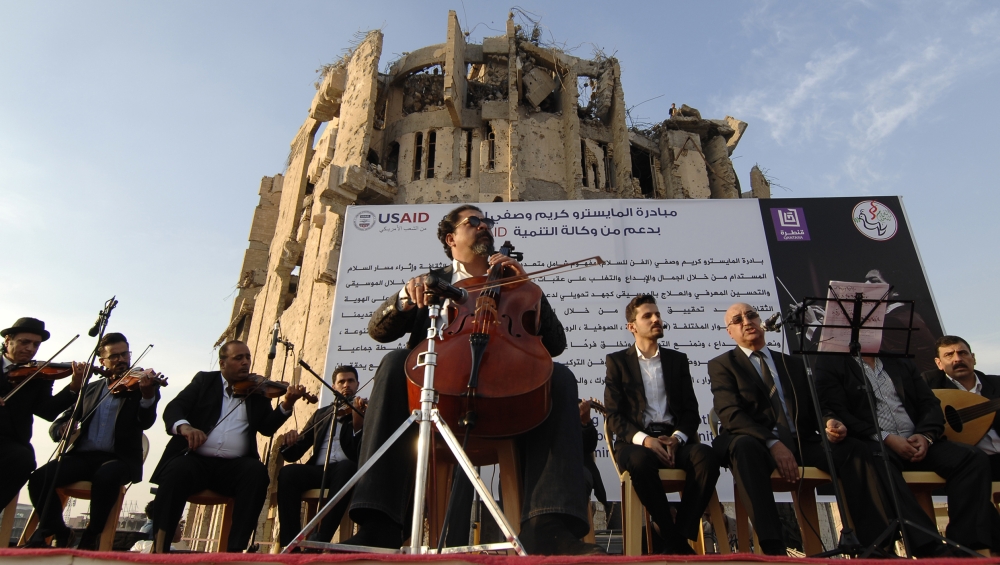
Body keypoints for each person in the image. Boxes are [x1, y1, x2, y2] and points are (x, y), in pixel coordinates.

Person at [342, 204, 601, 555]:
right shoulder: (434, 282)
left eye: (486, 222)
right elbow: (378, 330)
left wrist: (527, 285)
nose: (484, 227)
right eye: (473, 222)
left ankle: (547, 525)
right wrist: (405, 297)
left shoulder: (515, 282)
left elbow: (556, 344)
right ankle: (380, 524)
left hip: (504, 402)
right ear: (451, 238)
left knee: (560, 377)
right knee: (393, 363)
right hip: (437, 398)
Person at [709, 303, 896, 556]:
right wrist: (773, 444)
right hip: (759, 444)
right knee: (744, 448)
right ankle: (774, 548)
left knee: (854, 449)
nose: (746, 321)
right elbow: (731, 414)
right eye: (737, 319)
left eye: (751, 315)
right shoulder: (723, 365)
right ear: (729, 332)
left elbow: (818, 405)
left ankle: (875, 546)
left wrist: (830, 421)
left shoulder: (792, 364)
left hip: (801, 442)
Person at [816, 342, 1000, 555]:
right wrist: (886, 438)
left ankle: (967, 546)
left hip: (917, 439)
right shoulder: (832, 362)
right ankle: (928, 546)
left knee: (971, 458)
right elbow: (834, 409)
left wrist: (926, 436)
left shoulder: (899, 360)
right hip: (876, 442)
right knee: (877, 459)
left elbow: (930, 404)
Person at [147, 340, 308, 552]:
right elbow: (174, 408)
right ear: (222, 363)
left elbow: (267, 428)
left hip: (234, 468)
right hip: (196, 462)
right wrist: (185, 428)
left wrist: (287, 404)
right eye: (238, 358)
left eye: (248, 357)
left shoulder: (256, 391)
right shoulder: (204, 381)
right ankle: (160, 548)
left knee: (257, 473)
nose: (245, 362)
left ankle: (234, 551)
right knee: (177, 470)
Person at [603, 294, 720, 554]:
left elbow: (691, 412)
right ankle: (676, 541)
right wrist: (646, 440)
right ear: (632, 326)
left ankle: (677, 535)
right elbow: (614, 416)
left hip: (674, 441)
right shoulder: (618, 362)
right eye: (648, 316)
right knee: (640, 463)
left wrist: (677, 438)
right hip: (638, 444)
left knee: (707, 457)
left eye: (657, 314)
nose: (656, 319)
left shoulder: (677, 360)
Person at [26, 332, 162, 550]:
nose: (121, 360)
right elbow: (63, 417)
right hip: (83, 457)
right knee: (40, 478)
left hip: (119, 459)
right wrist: (61, 428)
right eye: (114, 356)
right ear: (102, 362)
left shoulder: (139, 386)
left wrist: (147, 396)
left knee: (106, 476)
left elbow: (146, 422)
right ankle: (60, 531)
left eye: (124, 354)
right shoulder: (89, 389)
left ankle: (92, 535)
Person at [0, 317, 83, 541]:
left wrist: (73, 388)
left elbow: (47, 411)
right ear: (8, 340)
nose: (30, 349)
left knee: (24, 460)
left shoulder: (39, 375)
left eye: (35, 345)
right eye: (25, 342)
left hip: (11, 444)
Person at [276, 365, 366, 547]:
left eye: (351, 381)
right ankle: (290, 543)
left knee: (347, 467)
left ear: (357, 385)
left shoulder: (362, 411)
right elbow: (295, 452)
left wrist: (359, 424)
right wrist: (288, 443)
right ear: (334, 386)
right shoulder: (321, 414)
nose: (346, 385)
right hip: (318, 470)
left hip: (344, 472)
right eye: (341, 381)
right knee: (288, 474)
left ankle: (319, 541)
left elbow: (362, 450)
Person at [922, 335, 1000, 479]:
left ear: (973, 358)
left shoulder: (997, 384)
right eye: (949, 355)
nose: (957, 359)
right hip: (970, 463)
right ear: (939, 363)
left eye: (963, 353)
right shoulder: (928, 385)